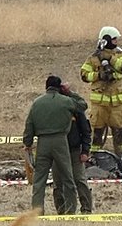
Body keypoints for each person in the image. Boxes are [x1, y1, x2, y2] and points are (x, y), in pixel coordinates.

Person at [22, 75, 88, 215]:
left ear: (46, 87)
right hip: (60, 141)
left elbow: (29, 124)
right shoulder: (65, 101)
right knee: (67, 177)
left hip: (42, 143)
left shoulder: (37, 103)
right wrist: (69, 92)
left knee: (39, 180)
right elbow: (82, 105)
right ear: (59, 88)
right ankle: (70, 211)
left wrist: (28, 143)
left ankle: (37, 211)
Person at [80, 26, 122, 156]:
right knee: (97, 131)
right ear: (106, 39)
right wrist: (98, 76)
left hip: (116, 104)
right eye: (114, 39)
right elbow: (84, 74)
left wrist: (109, 58)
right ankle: (95, 156)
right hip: (99, 103)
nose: (116, 42)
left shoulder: (120, 54)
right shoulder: (93, 57)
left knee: (119, 130)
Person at [51, 105, 93, 214]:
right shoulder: (51, 109)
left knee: (80, 180)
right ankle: (61, 210)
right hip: (57, 151)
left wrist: (85, 151)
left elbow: (86, 131)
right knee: (58, 183)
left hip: (75, 151)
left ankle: (86, 209)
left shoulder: (75, 109)